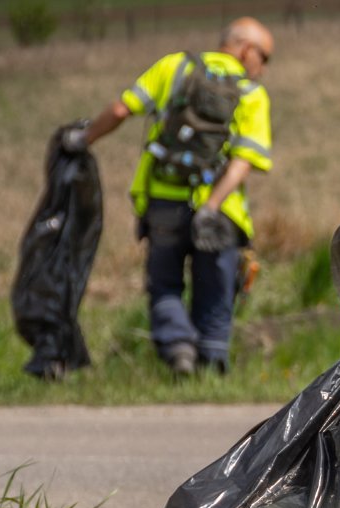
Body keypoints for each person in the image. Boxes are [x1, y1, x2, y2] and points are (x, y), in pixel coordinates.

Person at [64, 17, 274, 376]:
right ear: (245, 49)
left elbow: (120, 110)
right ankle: (210, 368)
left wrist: (81, 141)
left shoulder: (174, 66)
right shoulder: (252, 94)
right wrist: (210, 207)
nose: (265, 67)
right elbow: (242, 163)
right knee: (217, 290)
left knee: (164, 286)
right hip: (221, 213)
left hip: (164, 202)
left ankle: (179, 352)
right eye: (265, 57)